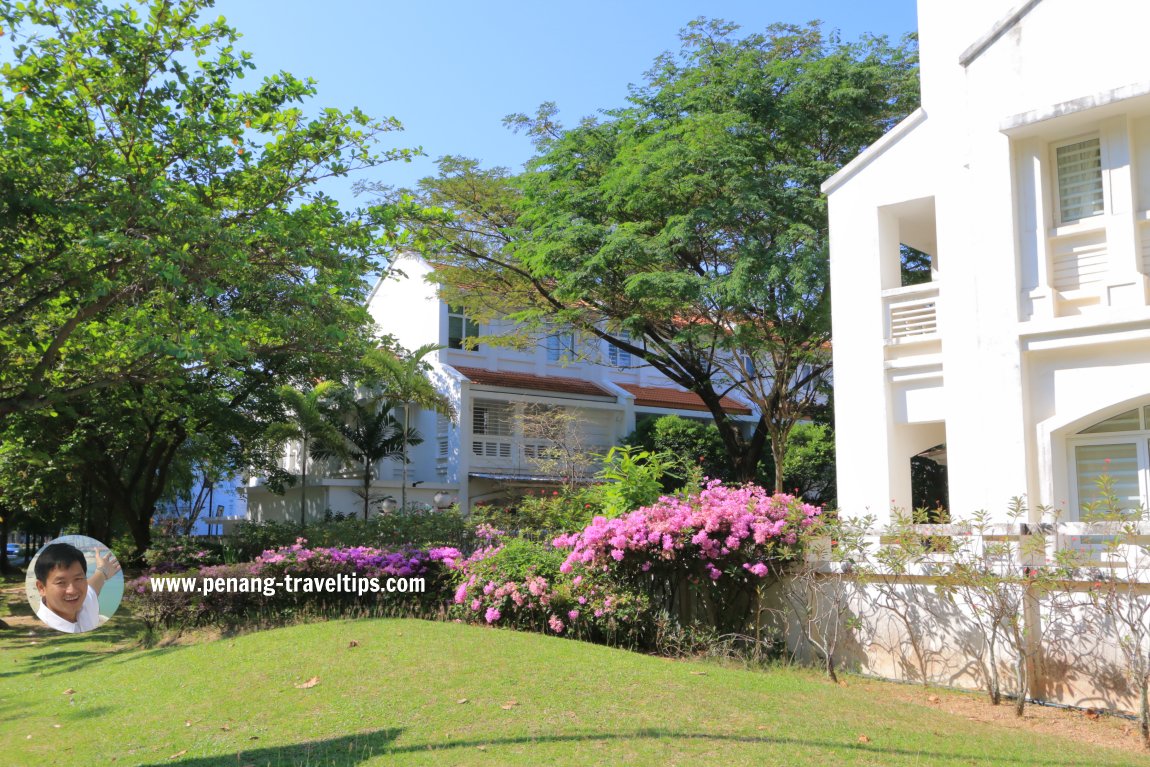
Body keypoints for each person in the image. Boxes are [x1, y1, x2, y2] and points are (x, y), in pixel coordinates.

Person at [33, 542, 120, 633]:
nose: (72, 590)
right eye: (61, 582)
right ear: (41, 588)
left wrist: (103, 571)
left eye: (78, 579)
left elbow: (93, 585)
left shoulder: (85, 601)